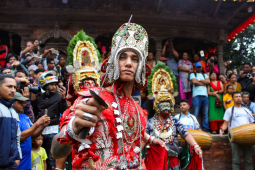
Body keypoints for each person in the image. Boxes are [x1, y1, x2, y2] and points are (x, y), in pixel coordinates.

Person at [51, 25, 165, 170]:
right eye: (122, 57)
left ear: (141, 66)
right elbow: (56, 151)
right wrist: (73, 128)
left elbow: (128, 136)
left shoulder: (137, 108)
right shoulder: (92, 99)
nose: (128, 63)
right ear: (113, 62)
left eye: (134, 59)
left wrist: (153, 140)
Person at [145, 63, 203, 169]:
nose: (166, 106)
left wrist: (195, 145)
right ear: (156, 105)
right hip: (155, 162)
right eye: (163, 103)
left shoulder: (175, 121)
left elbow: (186, 134)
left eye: (168, 102)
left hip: (173, 162)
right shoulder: (150, 122)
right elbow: (144, 138)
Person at [32, 71, 67, 170]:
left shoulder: (58, 96)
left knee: (51, 157)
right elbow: (34, 111)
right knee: (40, 155)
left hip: (53, 130)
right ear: (45, 85)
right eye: (51, 85)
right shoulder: (38, 97)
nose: (54, 87)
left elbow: (63, 111)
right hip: (40, 131)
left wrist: (63, 99)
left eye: (55, 85)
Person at [12, 92, 50, 170]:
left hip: (27, 163)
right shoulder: (11, 119)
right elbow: (19, 137)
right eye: (20, 103)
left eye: (23, 102)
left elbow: (33, 135)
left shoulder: (25, 117)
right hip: (16, 164)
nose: (23, 105)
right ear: (12, 103)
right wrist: (36, 124)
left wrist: (42, 126)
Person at [220, 91, 254, 170]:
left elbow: (252, 124)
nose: (238, 98)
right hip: (235, 138)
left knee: (249, 161)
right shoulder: (230, 110)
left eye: (239, 96)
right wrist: (222, 129)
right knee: (236, 161)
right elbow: (225, 123)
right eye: (236, 96)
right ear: (232, 99)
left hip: (248, 138)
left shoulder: (247, 111)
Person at [0, 74, 22, 169]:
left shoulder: (13, 112)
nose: (13, 90)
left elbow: (17, 137)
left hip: (11, 164)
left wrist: (18, 157)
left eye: (14, 87)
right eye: (9, 86)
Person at [190, 62, 210, 132]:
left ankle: (206, 129)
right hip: (196, 96)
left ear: (201, 68)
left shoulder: (205, 75)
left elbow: (208, 82)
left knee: (206, 114)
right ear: (195, 68)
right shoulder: (193, 74)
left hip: (205, 96)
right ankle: (196, 129)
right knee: (195, 113)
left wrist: (199, 80)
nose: (199, 68)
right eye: (198, 67)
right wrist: (203, 82)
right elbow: (194, 82)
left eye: (200, 67)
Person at [162, 40, 180, 106]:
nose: (169, 51)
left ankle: (177, 103)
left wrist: (171, 47)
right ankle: (170, 102)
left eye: (170, 50)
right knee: (170, 88)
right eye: (168, 50)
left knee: (176, 88)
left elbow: (177, 55)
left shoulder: (174, 57)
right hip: (169, 75)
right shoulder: (166, 57)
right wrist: (165, 45)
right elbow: (163, 54)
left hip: (176, 74)